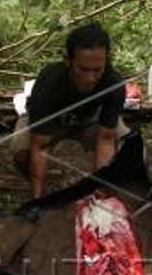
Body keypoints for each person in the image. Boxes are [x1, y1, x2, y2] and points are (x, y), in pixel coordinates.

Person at [11, 23, 130, 199]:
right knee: (21, 151)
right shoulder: (49, 82)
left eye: (97, 70)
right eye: (82, 69)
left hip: (91, 120)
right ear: (68, 60)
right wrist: (39, 202)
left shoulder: (114, 83)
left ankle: (104, 192)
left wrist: (101, 190)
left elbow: (105, 139)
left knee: (127, 148)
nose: (90, 78)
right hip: (52, 121)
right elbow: (40, 145)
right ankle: (43, 192)